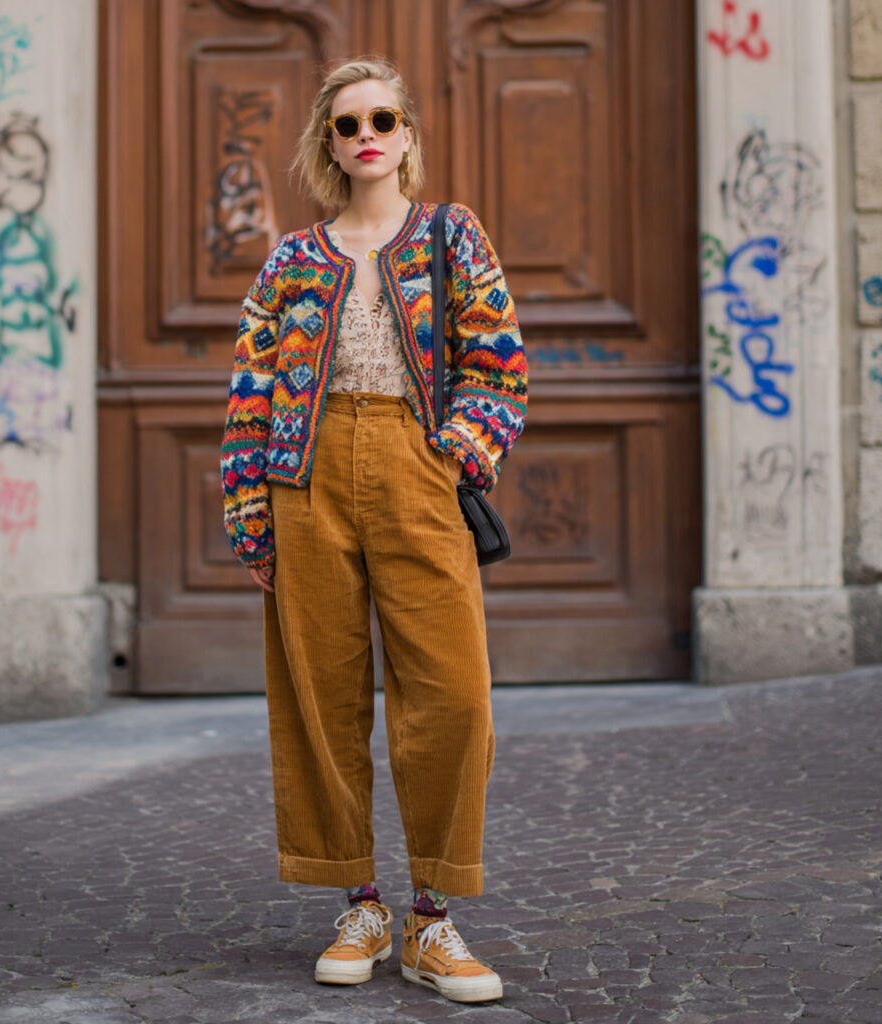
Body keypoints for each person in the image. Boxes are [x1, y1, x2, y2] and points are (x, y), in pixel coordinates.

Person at [219, 54, 527, 1004]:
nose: (367, 138)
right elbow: (250, 387)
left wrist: (458, 457)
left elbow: (499, 363)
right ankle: (359, 900)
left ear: (408, 137)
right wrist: (248, 509)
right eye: (347, 125)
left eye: (382, 120)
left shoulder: (451, 234)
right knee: (323, 692)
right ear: (328, 144)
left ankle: (434, 916)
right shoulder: (291, 260)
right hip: (302, 478)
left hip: (416, 465)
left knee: (454, 691)